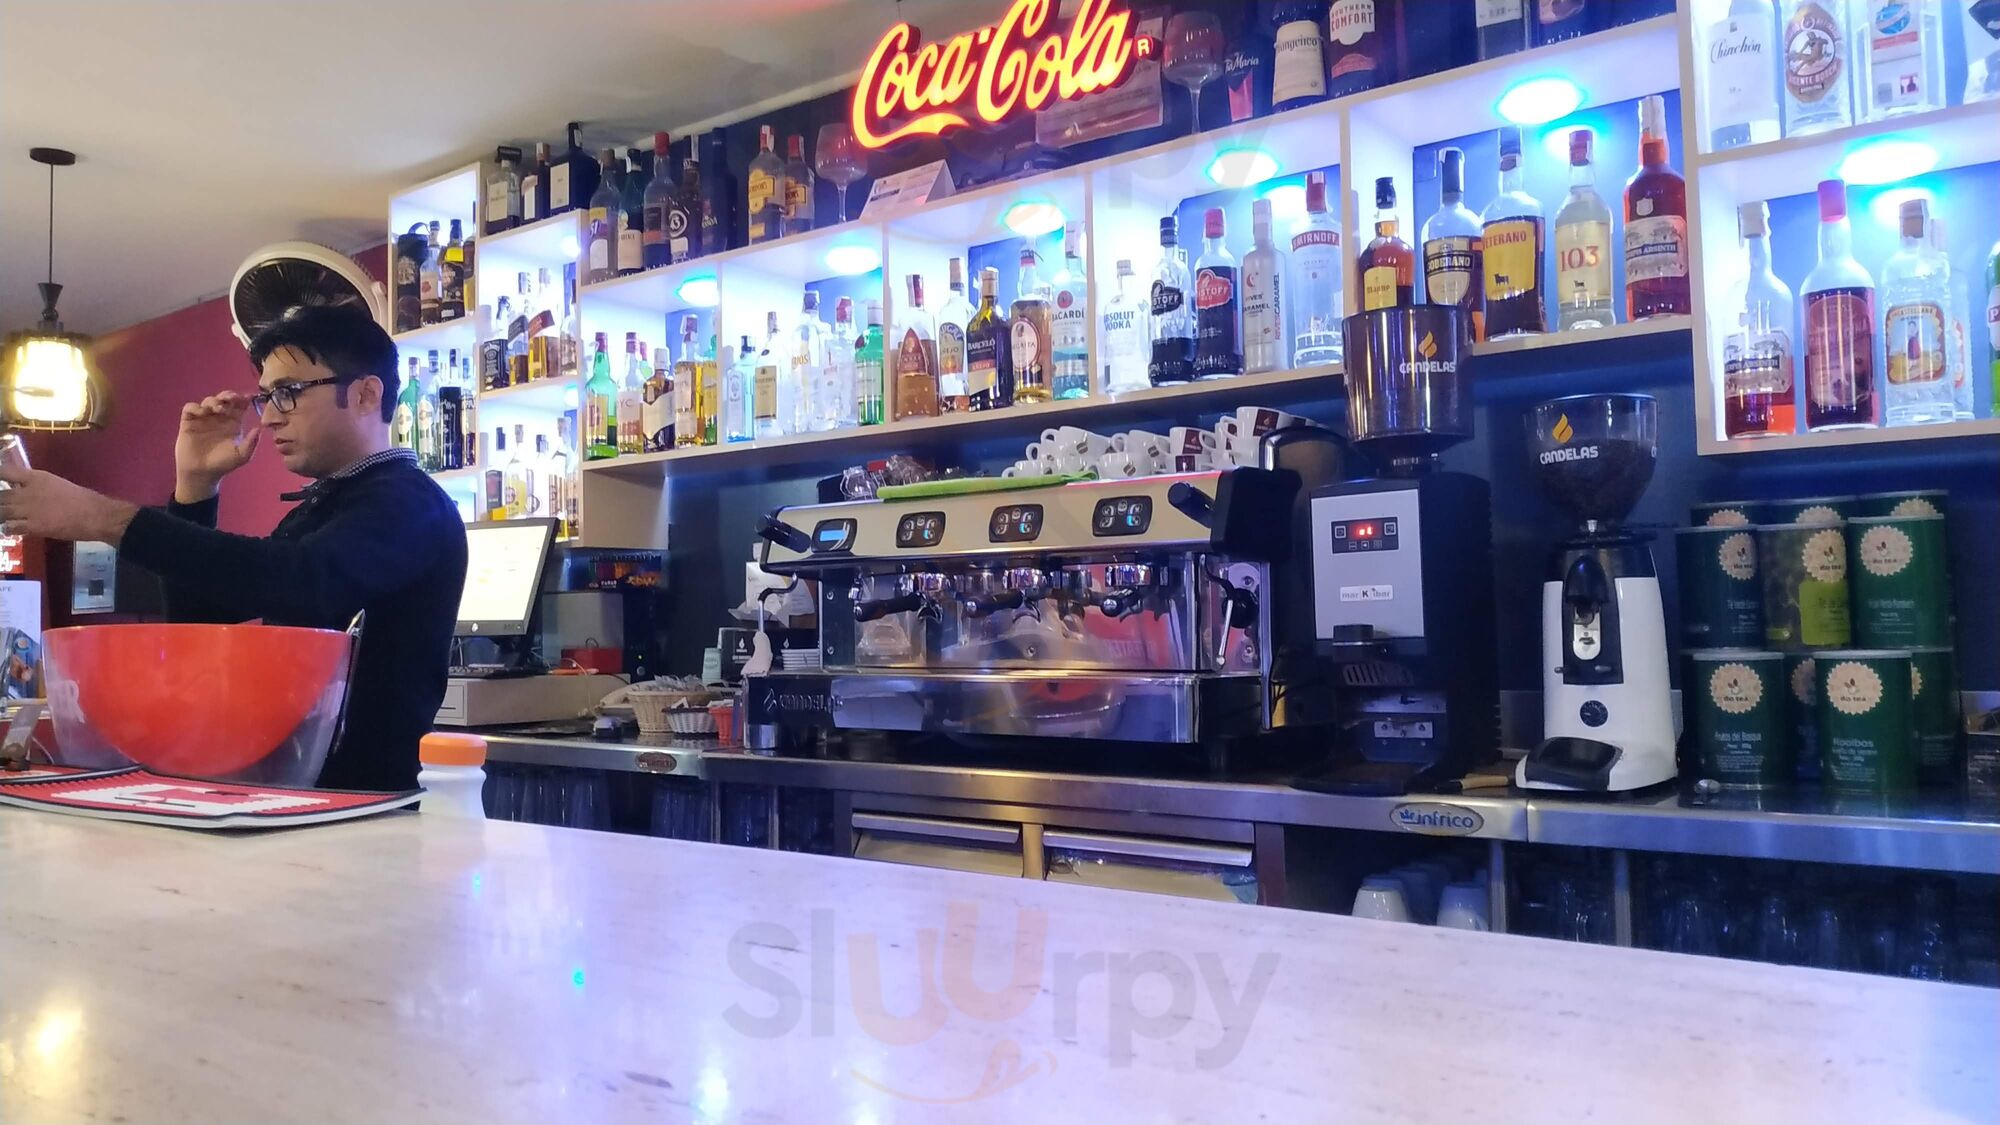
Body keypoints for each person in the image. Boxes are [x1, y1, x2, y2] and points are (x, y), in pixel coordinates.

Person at [0, 304, 467, 791]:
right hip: (299, 797)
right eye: (267, 398)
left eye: (288, 393)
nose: (270, 419)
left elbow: (300, 581)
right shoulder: (327, 506)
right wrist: (195, 487)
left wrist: (99, 517)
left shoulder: (410, 502)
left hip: (371, 807)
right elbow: (200, 620)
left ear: (366, 394)